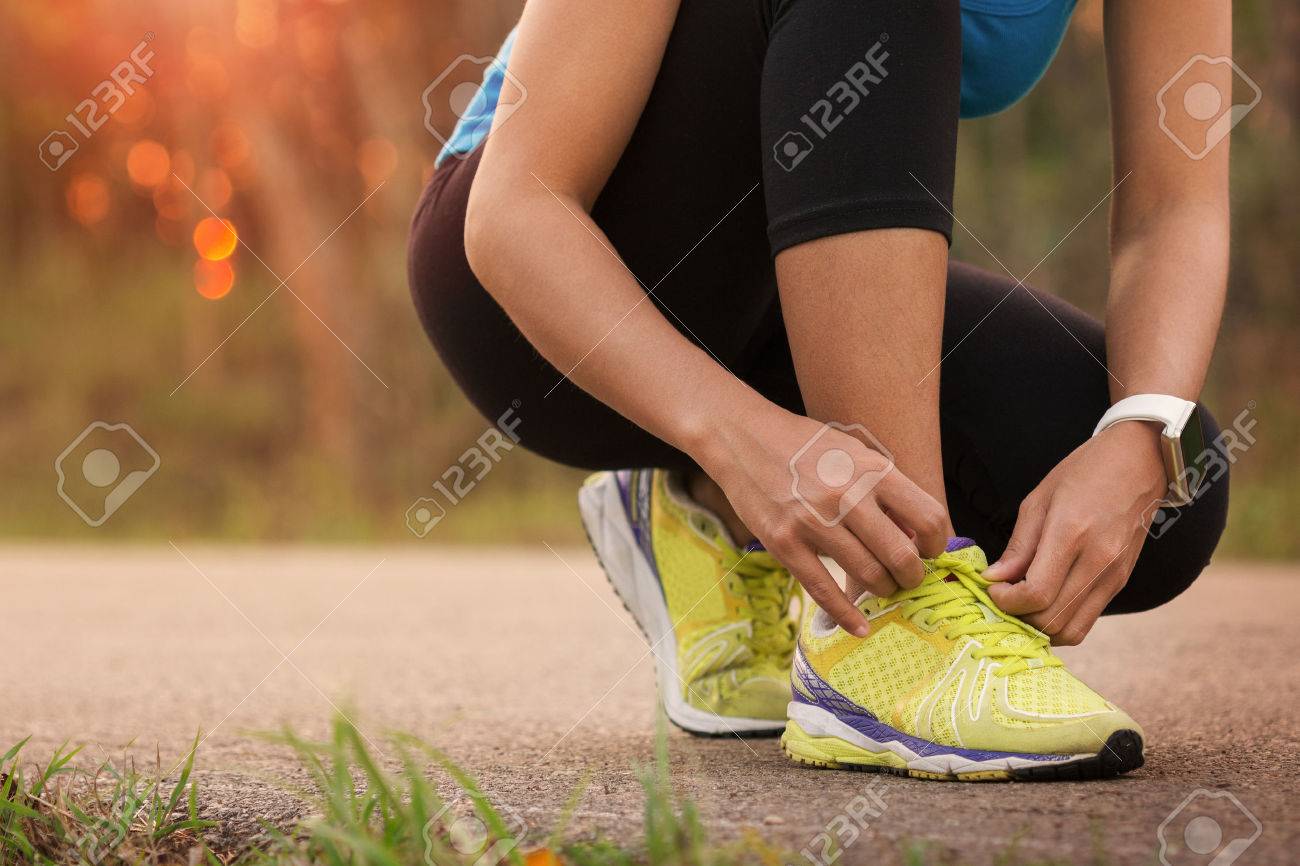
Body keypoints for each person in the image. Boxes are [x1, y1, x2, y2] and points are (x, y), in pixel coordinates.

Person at [408, 0, 1231, 781]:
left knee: (1176, 505)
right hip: (544, 292)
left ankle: (703, 517)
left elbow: (1175, 208)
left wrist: (1144, 434)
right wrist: (731, 435)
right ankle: (889, 624)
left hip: (780, 285)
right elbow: (516, 209)